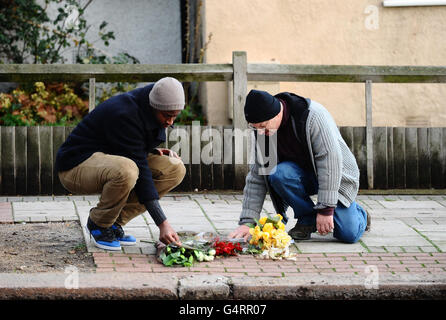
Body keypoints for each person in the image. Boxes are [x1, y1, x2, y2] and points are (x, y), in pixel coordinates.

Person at [55, 77, 186, 251]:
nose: (170, 122)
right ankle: (98, 224)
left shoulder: (152, 105)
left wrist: (150, 152)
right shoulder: (125, 113)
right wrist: (162, 223)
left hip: (107, 158)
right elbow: (141, 172)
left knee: (174, 168)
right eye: (167, 116)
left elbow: (127, 146)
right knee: (128, 170)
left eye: (175, 116)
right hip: (74, 166)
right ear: (154, 106)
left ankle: (113, 223)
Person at [229, 89, 370, 244]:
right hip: (302, 176)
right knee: (279, 174)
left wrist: (325, 210)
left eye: (263, 126)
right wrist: (247, 222)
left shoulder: (312, 115)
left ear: (276, 114)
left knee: (348, 234)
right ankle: (307, 218)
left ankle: (360, 214)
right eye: (256, 128)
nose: (261, 132)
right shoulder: (264, 133)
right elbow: (257, 176)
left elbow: (330, 161)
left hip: (336, 175)